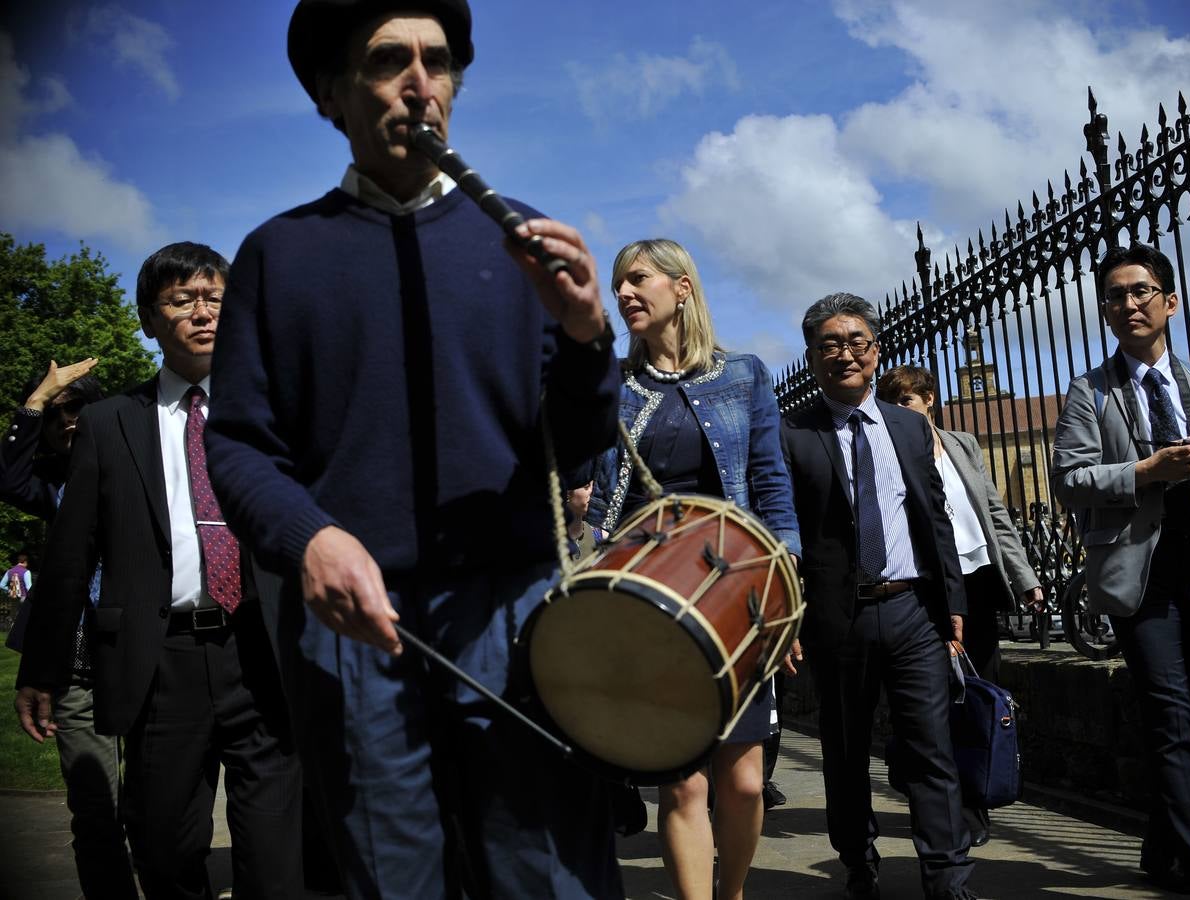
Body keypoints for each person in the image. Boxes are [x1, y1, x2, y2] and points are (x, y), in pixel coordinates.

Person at [203, 2, 622, 897]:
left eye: (437, 61)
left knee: (548, 874)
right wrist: (309, 534)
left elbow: (579, 451)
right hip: (356, 628)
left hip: (517, 616)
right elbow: (238, 446)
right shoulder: (277, 256)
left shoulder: (521, 239)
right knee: (391, 881)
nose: (420, 83)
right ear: (333, 95)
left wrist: (588, 339)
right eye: (389, 59)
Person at [13, 243, 303, 899]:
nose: (202, 314)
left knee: (276, 861)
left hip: (262, 654)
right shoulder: (111, 424)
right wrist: (42, 666)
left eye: (215, 300)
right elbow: (69, 556)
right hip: (161, 660)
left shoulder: (280, 413)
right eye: (181, 300)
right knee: (166, 851)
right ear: (150, 319)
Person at [587, 237, 801, 900]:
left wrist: (787, 594)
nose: (622, 294)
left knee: (741, 781)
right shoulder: (616, 389)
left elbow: (771, 485)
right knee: (682, 779)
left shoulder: (744, 376)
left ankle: (730, 892)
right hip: (648, 601)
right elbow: (599, 502)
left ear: (682, 288)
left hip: (735, 597)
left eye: (637, 280)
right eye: (617, 284)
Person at [1051, 244, 1190, 900]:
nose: (1128, 303)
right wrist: (1146, 472)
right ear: (1105, 313)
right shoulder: (1090, 392)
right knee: (1169, 719)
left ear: (1170, 301)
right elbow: (1069, 480)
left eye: (1141, 291)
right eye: (1115, 296)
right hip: (1138, 572)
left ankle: (1160, 843)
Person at [779, 293, 976, 900]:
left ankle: (946, 877)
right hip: (838, 619)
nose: (845, 354)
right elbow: (782, 534)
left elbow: (934, 518)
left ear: (876, 349)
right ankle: (858, 861)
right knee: (844, 751)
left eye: (856, 341)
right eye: (830, 344)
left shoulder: (911, 428)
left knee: (931, 747)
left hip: (914, 609)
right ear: (812, 357)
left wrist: (955, 604)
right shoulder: (792, 436)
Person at [876, 363, 1043, 846]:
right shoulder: (889, 452)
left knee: (981, 692)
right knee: (934, 696)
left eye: (907, 400)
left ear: (929, 400)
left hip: (979, 578)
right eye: (891, 402)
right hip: (929, 587)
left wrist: (1024, 576)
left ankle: (972, 799)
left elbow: (992, 511)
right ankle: (943, 800)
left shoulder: (963, 444)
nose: (900, 410)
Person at [1, 361, 139, 899]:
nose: (69, 423)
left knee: (156, 806)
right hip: (78, 670)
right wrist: (34, 401)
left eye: (77, 409)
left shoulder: (138, 465)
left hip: (146, 657)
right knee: (96, 808)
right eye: (56, 415)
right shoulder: (50, 485)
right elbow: (8, 477)